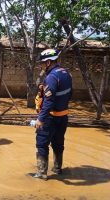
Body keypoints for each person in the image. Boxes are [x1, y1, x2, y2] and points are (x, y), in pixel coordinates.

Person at [30, 49, 72, 180]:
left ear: (48, 62)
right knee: (58, 143)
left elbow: (49, 101)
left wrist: (40, 119)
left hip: (50, 118)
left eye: (42, 63)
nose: (41, 66)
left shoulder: (51, 77)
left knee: (42, 144)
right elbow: (70, 94)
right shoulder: (66, 73)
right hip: (63, 116)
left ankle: (42, 173)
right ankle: (57, 168)